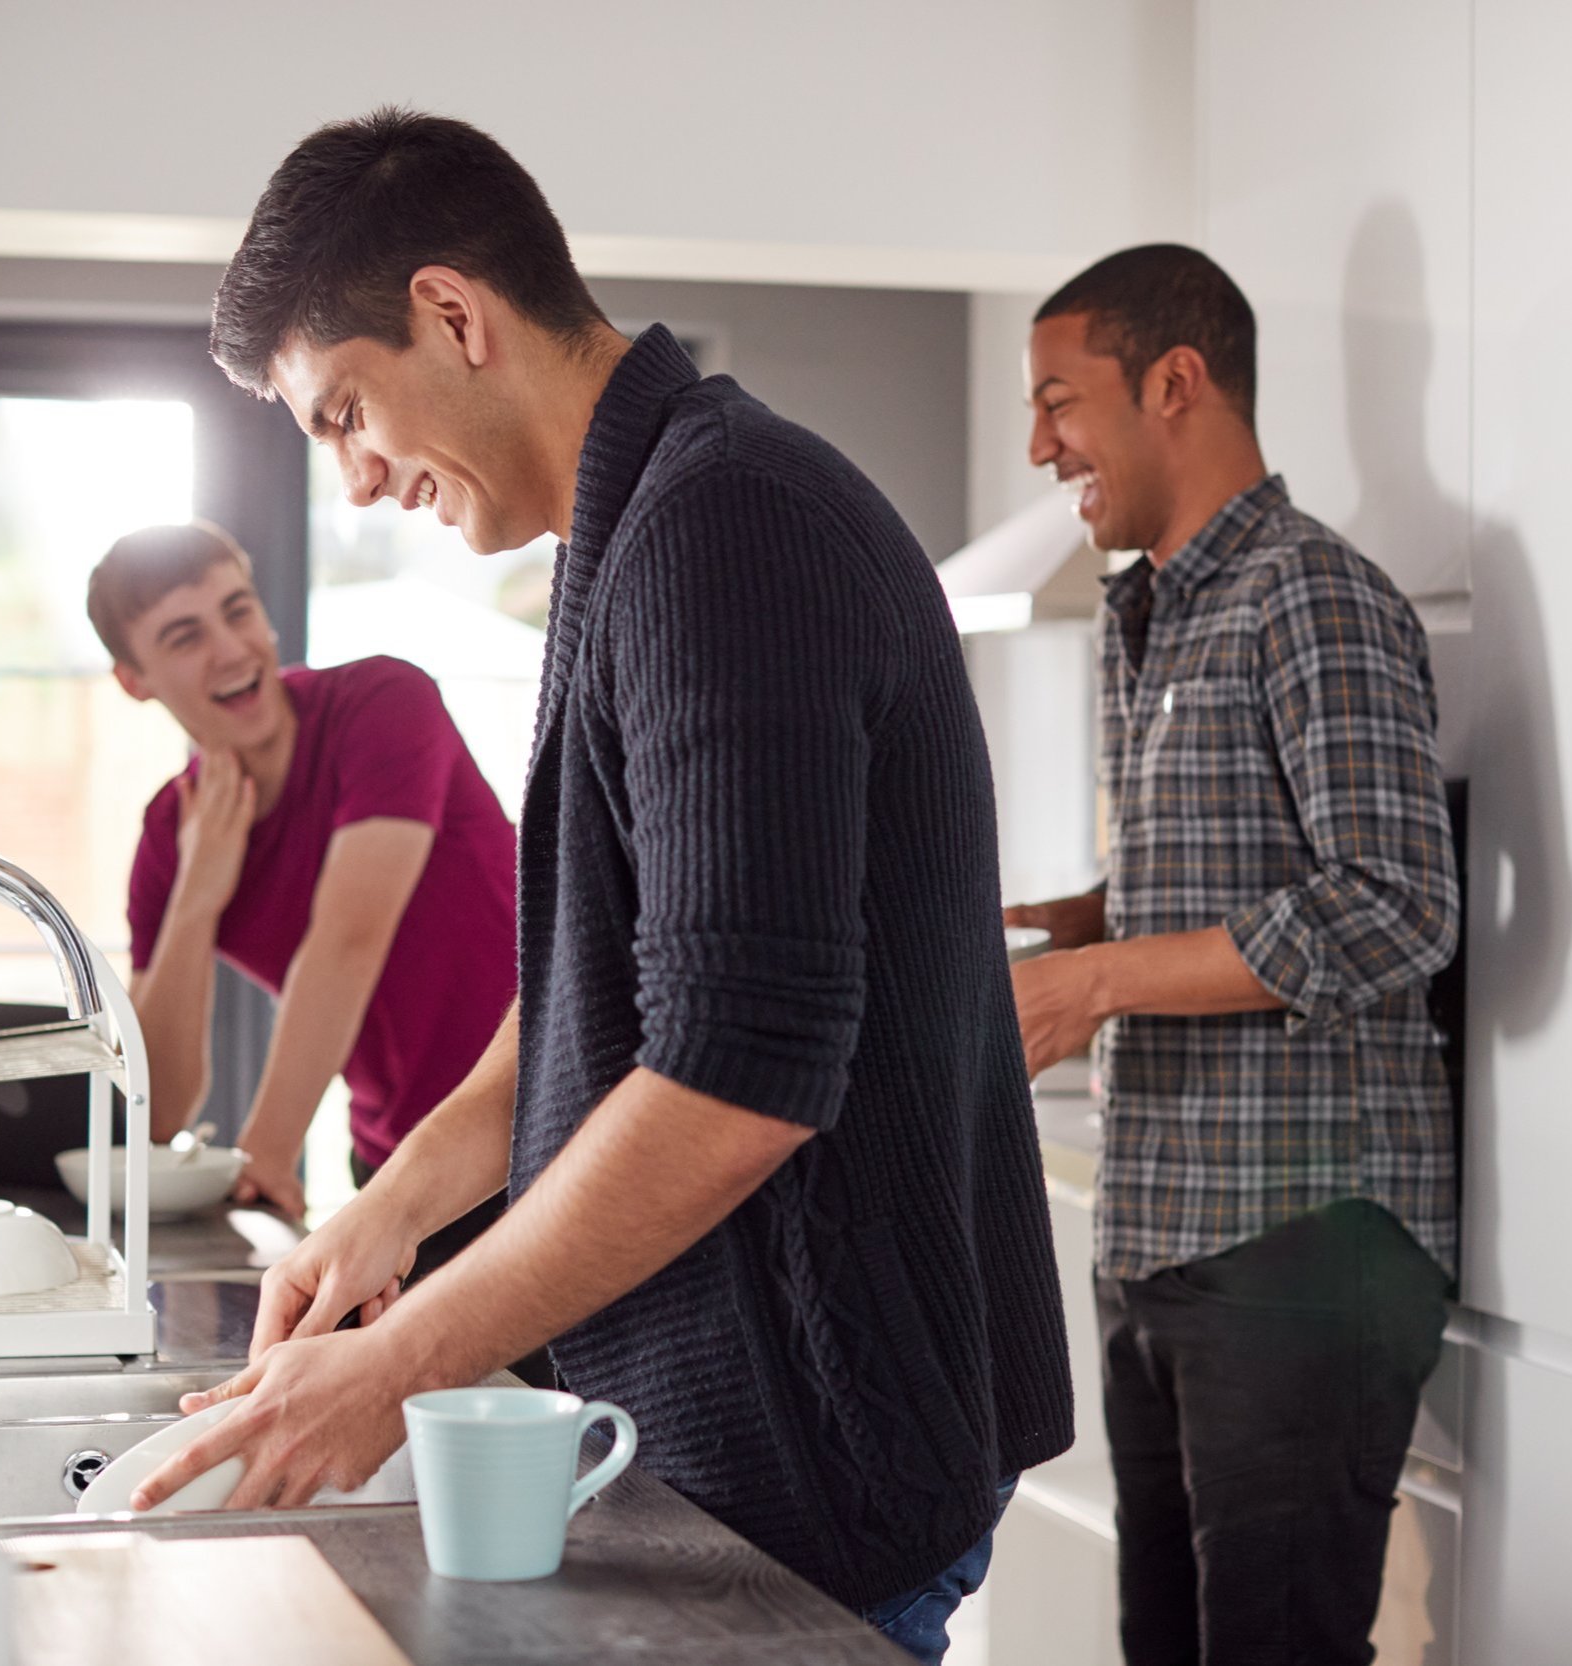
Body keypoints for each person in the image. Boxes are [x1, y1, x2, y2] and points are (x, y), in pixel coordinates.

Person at [127, 108, 1072, 1664]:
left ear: (453, 312)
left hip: (820, 1464)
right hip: (748, 1445)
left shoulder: (725, 527)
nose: (356, 481)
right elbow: (612, 987)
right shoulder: (635, 527)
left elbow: (735, 1077)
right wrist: (392, 1212)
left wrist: (392, 1367)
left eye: (347, 410)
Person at [1006, 244, 1458, 1665]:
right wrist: (1060, 924)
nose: (1037, 445)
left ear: (1173, 383)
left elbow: (1394, 902)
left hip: (1300, 1244)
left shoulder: (1309, 593)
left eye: (1057, 401)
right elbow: (1237, 869)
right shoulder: (1152, 613)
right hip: (1166, 1236)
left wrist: (1092, 982)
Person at [87, 523, 550, 1379]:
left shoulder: (383, 702)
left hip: (542, 1127)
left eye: (238, 610)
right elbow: (162, 1103)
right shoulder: (170, 833)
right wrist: (197, 896)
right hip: (394, 1162)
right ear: (135, 679)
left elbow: (347, 939)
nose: (230, 649)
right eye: (185, 637)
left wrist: (266, 1151)